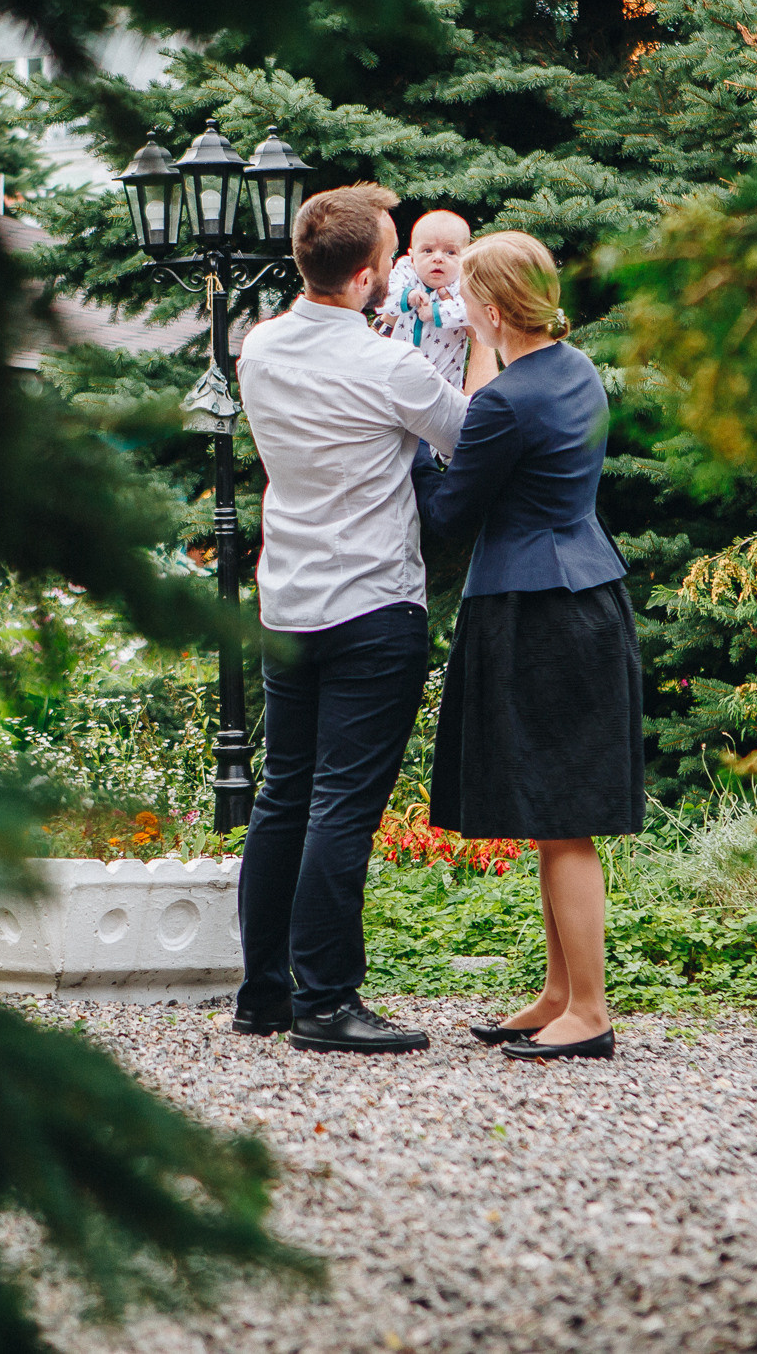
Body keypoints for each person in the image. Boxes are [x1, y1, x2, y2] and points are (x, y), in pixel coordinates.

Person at [232, 183, 469, 1054]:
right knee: (340, 804)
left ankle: (263, 993)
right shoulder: (387, 365)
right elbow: (465, 435)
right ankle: (326, 1001)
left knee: (282, 794)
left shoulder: (257, 348)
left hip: (287, 599)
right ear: (371, 274)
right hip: (373, 603)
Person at [413, 230, 644, 1061]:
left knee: (563, 816)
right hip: (587, 592)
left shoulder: (507, 402)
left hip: (535, 608)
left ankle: (589, 1010)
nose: (460, 307)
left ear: (496, 307)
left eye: (469, 296)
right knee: (557, 819)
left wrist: (403, 442)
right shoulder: (573, 370)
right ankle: (559, 992)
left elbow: (447, 517)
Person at [375, 210, 487, 392]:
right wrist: (409, 297)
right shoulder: (406, 271)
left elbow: (473, 311)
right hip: (397, 375)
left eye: (450, 252)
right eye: (427, 251)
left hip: (444, 380)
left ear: (464, 259)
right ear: (412, 257)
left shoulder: (463, 282)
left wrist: (437, 312)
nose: (438, 258)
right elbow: (383, 298)